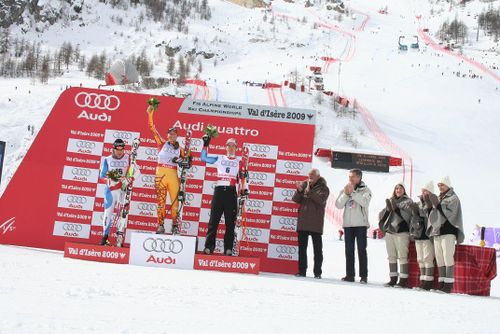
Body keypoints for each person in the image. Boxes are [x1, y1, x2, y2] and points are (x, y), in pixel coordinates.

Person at [201, 136, 248, 256]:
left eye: (233, 146)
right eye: (229, 145)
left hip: (231, 192)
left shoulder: (240, 161)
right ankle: (209, 247)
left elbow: (244, 178)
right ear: (225, 147)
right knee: (213, 221)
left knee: (230, 223)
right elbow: (203, 158)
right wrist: (205, 145)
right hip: (219, 191)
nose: (231, 148)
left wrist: (245, 190)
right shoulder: (219, 158)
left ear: (236, 148)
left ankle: (228, 248)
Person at [147, 106, 190, 235]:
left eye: (174, 134)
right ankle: (160, 225)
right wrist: (150, 114)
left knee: (175, 202)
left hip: (172, 175)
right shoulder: (161, 143)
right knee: (160, 201)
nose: (172, 135)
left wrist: (185, 161)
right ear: (167, 135)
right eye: (170, 133)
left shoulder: (180, 149)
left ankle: (175, 225)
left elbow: (188, 160)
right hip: (160, 174)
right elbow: (152, 128)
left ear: (177, 136)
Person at [426, 176, 464, 293]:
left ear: (447, 185)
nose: (440, 187)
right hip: (437, 231)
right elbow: (433, 214)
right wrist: (429, 207)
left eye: (442, 185)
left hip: (448, 231)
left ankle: (448, 284)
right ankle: (441, 283)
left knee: (448, 257)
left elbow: (451, 214)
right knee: (439, 258)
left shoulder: (453, 198)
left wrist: (438, 206)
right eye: (438, 185)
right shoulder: (438, 197)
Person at [335, 169, 372, 284]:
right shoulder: (345, 189)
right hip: (348, 225)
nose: (350, 179)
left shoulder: (366, 190)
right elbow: (338, 205)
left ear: (359, 177)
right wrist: (346, 194)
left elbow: (365, 202)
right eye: (349, 176)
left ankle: (363, 276)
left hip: (361, 225)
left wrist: (353, 193)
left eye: (353, 177)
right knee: (349, 250)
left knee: (361, 250)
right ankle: (350, 275)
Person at [292, 169, 330, 279]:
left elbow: (321, 201)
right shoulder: (304, 185)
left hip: (315, 223)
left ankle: (317, 272)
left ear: (318, 176)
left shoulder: (324, 188)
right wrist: (299, 191)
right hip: (303, 222)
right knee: (302, 249)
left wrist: (310, 191)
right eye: (309, 175)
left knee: (317, 250)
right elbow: (295, 200)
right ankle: (302, 271)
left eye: (312, 175)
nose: (310, 177)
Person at [99, 139, 132, 246]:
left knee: (122, 214)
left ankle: (119, 237)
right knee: (108, 213)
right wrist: (108, 180)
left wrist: (129, 179)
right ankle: (105, 237)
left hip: (123, 190)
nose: (119, 152)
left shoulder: (129, 158)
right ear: (113, 148)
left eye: (121, 150)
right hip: (110, 190)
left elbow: (134, 173)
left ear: (123, 149)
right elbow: (102, 175)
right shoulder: (107, 159)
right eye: (117, 150)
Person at [378, 182, 412, 288]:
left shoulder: (408, 201)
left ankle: (403, 280)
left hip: (402, 232)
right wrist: (388, 211)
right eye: (396, 188)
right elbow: (383, 214)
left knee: (402, 256)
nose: (398, 190)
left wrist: (397, 209)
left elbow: (409, 215)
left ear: (404, 190)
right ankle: (392, 279)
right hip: (390, 232)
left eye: (401, 188)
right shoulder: (391, 200)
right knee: (391, 256)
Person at [409, 181, 435, 291]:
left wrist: (422, 212)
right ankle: (422, 281)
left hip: (428, 235)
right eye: (423, 190)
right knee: (420, 259)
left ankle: (428, 282)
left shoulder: (433, 203)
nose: (424, 193)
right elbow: (414, 219)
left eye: (426, 191)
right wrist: (414, 212)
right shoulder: (418, 203)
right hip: (419, 235)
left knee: (427, 258)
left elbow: (432, 217)